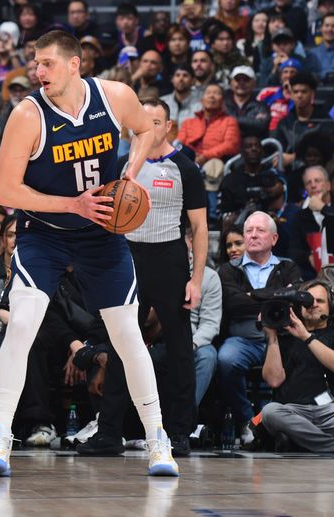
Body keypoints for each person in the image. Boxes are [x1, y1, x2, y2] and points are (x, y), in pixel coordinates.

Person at [0, 30, 178, 477]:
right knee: (23, 324)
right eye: (35, 63)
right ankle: (0, 436)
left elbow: (145, 131)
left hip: (101, 231)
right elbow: (6, 190)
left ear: (75, 64)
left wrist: (130, 170)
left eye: (47, 63)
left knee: (127, 334)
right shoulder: (27, 115)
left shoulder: (115, 96)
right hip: (45, 231)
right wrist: (74, 204)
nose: (38, 71)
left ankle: (157, 439)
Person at [118, 98, 208, 456]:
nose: (149, 128)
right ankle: (112, 429)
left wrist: (196, 279)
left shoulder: (184, 168)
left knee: (180, 348)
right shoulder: (124, 165)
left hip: (169, 256)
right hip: (128, 255)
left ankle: (180, 430)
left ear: (169, 126)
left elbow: (200, 228)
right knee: (121, 343)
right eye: (143, 121)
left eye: (157, 122)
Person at [261, 280, 334, 452]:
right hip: (293, 411)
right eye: (308, 301)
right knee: (269, 412)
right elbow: (273, 380)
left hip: (333, 412)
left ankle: (298, 441)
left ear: (331, 307)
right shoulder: (283, 339)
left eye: (320, 301)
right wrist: (272, 336)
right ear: (298, 308)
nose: (313, 305)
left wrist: (305, 336)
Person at [217, 211, 303, 443]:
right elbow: (232, 303)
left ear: (274, 238)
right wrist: (275, 296)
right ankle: (247, 420)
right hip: (243, 339)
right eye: (248, 231)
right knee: (225, 359)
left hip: (284, 336)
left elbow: (295, 298)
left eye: (260, 230)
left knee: (304, 360)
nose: (253, 235)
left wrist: (252, 296)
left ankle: (285, 422)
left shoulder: (288, 267)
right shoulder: (228, 270)